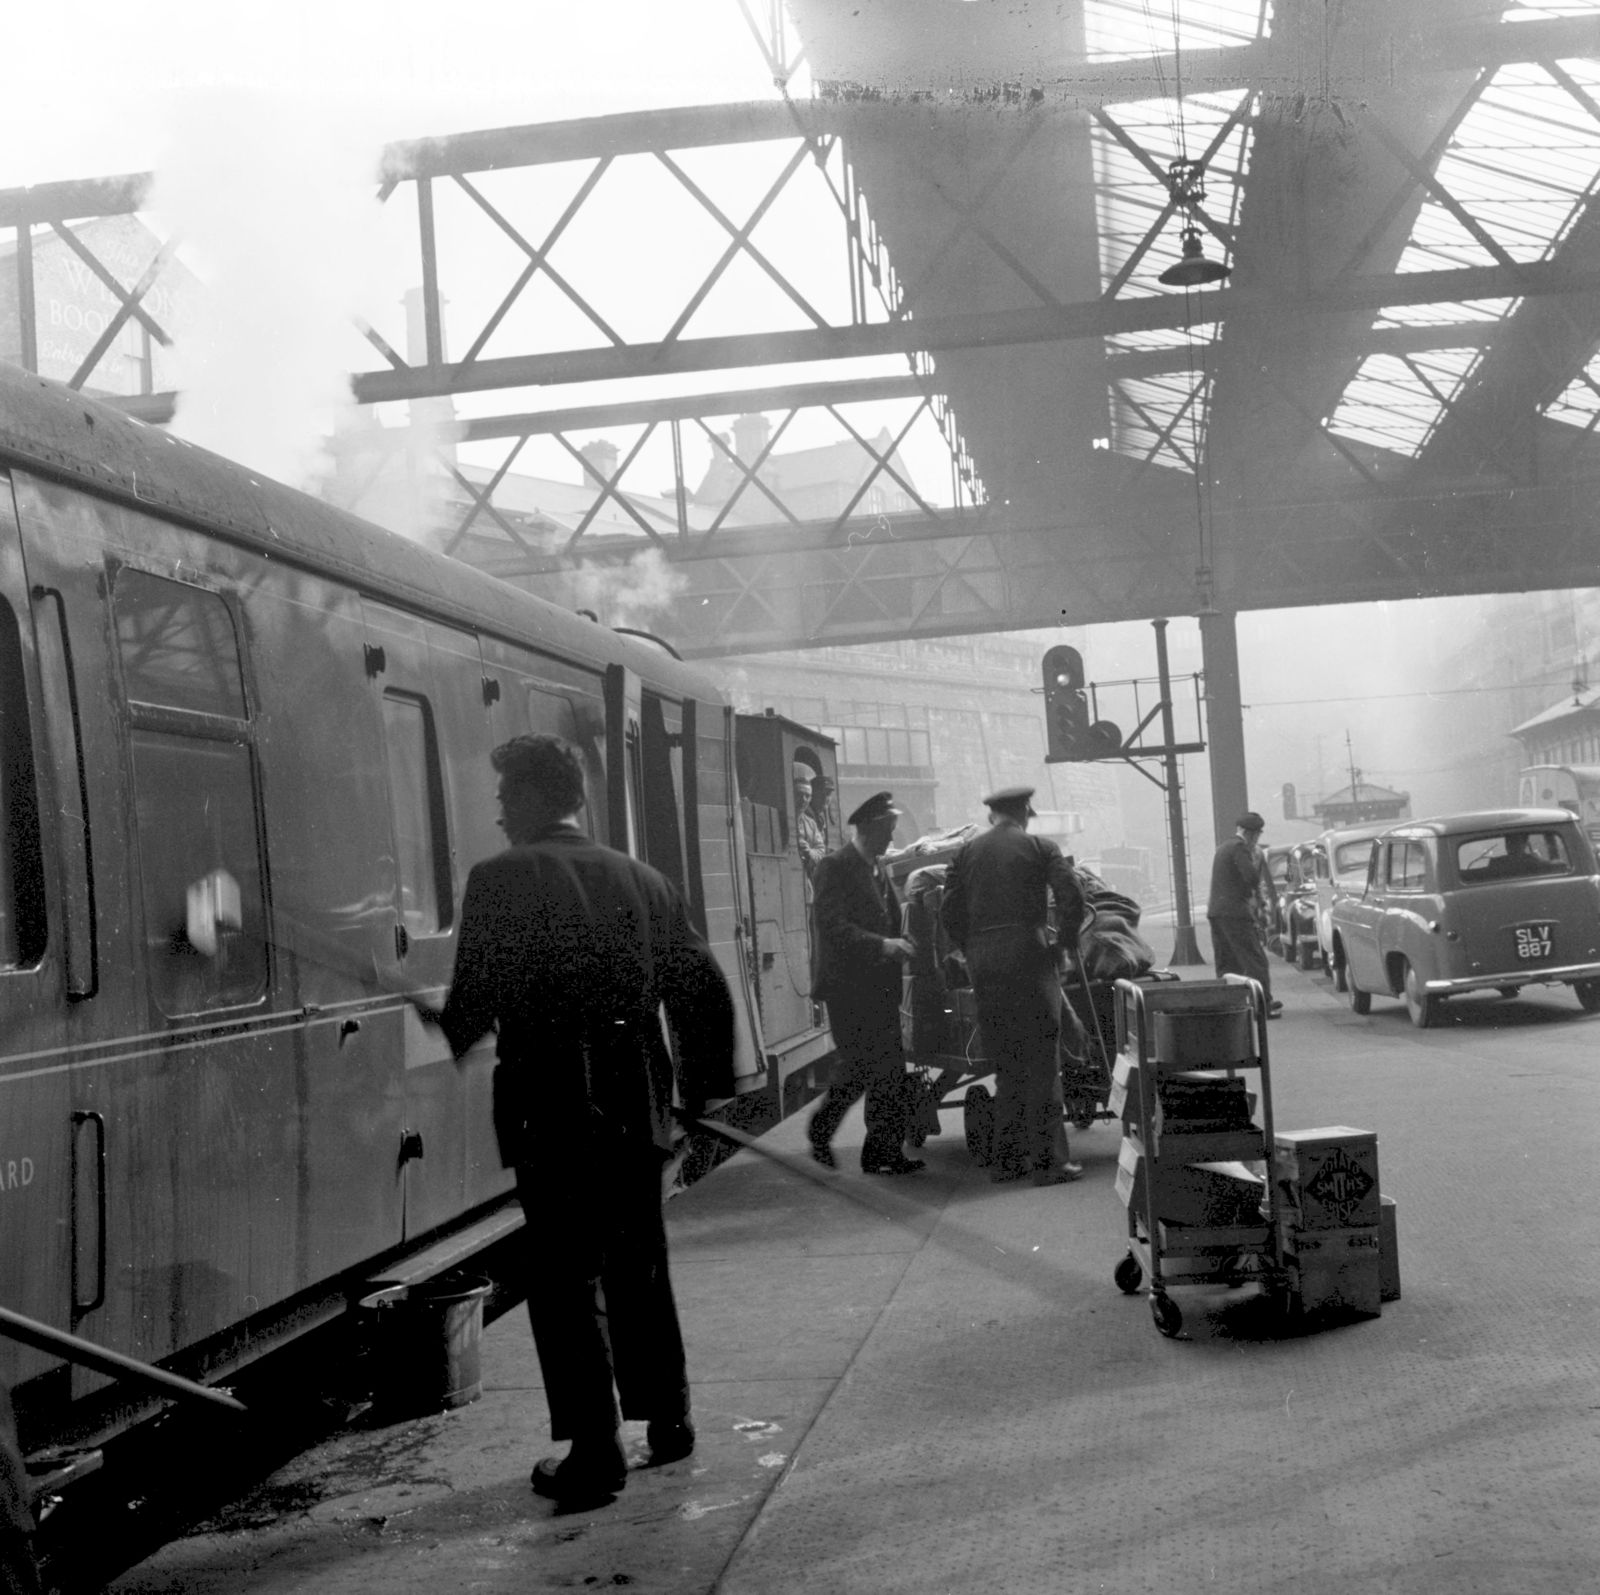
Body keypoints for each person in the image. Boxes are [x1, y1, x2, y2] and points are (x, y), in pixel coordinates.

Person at [435, 734, 735, 1508]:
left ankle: (595, 1452)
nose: (500, 813)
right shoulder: (642, 879)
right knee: (642, 1264)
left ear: (536, 796)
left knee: (566, 1278)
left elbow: (469, 1009)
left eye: (506, 798)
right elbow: (702, 989)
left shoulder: (498, 879)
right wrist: (702, 1098)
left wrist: (453, 1019)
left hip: (551, 1108)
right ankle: (671, 1422)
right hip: (638, 1106)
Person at [940, 786, 1088, 1186]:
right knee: (1042, 1062)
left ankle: (1007, 1163)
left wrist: (969, 947)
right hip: (1030, 957)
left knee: (1006, 1065)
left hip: (985, 965)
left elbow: (948, 908)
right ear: (1024, 812)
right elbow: (1071, 894)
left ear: (993, 816)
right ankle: (1050, 1164)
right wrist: (1064, 943)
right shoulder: (1040, 847)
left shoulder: (967, 852)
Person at [807, 791, 922, 1175]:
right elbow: (832, 925)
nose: (892, 837)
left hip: (879, 987)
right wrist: (882, 945)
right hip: (847, 989)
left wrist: (903, 942)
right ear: (870, 828)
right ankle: (822, 1130)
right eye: (888, 829)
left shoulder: (877, 868)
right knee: (860, 1067)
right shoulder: (835, 866)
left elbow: (885, 919)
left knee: (888, 1069)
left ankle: (881, 1153)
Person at [1207, 810, 1282, 1018]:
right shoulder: (1240, 847)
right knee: (1255, 961)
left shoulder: (1223, 847)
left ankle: (1230, 1007)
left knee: (1227, 963)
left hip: (1217, 913)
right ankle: (1263, 1006)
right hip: (1236, 914)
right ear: (1252, 834)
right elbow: (1250, 876)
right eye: (1257, 834)